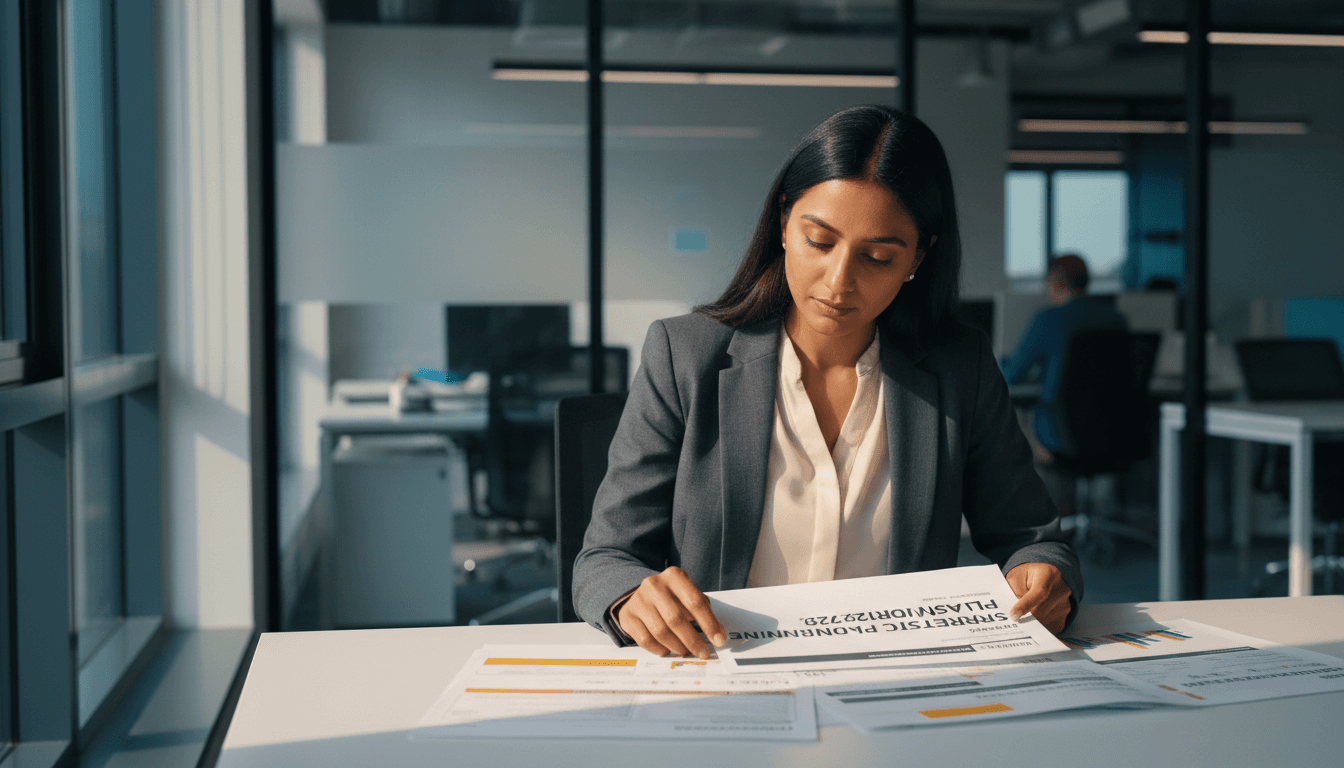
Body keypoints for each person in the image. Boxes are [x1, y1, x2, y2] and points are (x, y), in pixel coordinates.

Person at [572, 104, 1081, 660]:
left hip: (895, 684)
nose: (840, 282)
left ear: (918, 258)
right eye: (819, 241)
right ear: (784, 225)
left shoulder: (960, 369)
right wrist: (630, 597)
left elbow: (1032, 538)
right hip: (723, 677)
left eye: (879, 257)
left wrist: (1044, 573)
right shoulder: (686, 355)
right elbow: (604, 560)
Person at [1001, 255, 1129, 473]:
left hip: (1057, 431)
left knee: (1013, 425)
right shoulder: (1117, 320)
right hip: (1111, 431)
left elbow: (1011, 376)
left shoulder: (1048, 319)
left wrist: (1005, 361)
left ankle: (1053, 503)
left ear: (1054, 284)